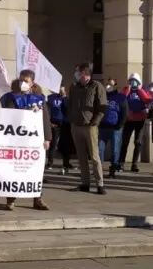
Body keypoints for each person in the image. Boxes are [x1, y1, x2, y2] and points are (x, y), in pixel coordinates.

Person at [1, 70, 51, 211]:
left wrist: (47, 138)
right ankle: (11, 200)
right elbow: (7, 114)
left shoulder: (40, 98)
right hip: (16, 139)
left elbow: (45, 119)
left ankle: (37, 199)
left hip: (34, 141)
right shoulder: (12, 97)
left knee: (36, 170)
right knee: (14, 170)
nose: (22, 83)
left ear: (32, 83)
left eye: (26, 81)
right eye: (21, 80)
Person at [67, 62, 108, 194]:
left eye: (79, 72)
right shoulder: (74, 87)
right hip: (76, 125)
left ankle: (100, 184)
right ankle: (85, 182)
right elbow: (70, 104)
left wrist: (94, 122)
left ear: (86, 73)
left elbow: (102, 107)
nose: (77, 74)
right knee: (81, 156)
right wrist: (71, 119)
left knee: (94, 156)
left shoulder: (96, 86)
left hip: (90, 126)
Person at [119, 73, 151, 172]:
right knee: (125, 142)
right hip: (129, 120)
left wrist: (140, 89)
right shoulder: (125, 90)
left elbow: (146, 99)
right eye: (131, 80)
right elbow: (122, 98)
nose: (133, 82)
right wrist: (128, 89)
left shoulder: (142, 91)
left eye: (135, 81)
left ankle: (134, 164)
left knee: (138, 142)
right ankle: (121, 163)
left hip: (140, 121)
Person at [99, 78, 128, 178]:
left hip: (115, 128)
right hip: (103, 127)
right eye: (107, 84)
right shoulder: (102, 97)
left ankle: (113, 170)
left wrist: (120, 125)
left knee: (115, 150)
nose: (108, 86)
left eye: (110, 84)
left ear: (115, 85)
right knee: (99, 149)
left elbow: (125, 113)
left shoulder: (121, 97)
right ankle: (98, 170)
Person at [46, 85, 66, 170]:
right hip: (55, 124)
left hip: (65, 123)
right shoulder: (51, 98)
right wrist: (50, 122)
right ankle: (50, 162)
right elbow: (47, 110)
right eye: (60, 90)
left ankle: (66, 163)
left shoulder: (66, 99)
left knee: (66, 145)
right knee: (53, 144)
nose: (61, 92)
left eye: (63, 90)